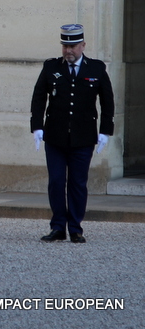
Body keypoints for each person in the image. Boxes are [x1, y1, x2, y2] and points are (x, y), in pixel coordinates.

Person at [30, 24, 115, 244]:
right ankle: (58, 226)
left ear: (83, 46)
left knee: (77, 183)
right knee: (57, 182)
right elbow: (39, 97)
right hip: (56, 137)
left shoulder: (96, 69)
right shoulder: (50, 68)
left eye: (73, 46)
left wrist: (105, 131)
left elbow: (107, 102)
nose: (68, 50)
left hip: (83, 137)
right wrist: (37, 126)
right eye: (65, 46)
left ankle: (76, 228)